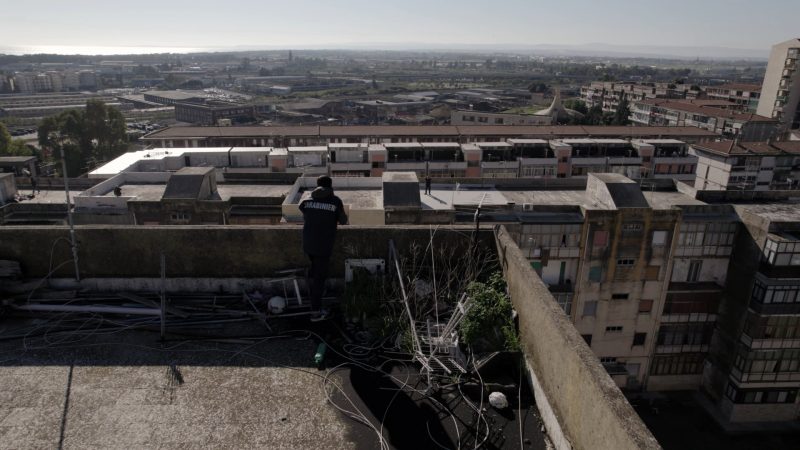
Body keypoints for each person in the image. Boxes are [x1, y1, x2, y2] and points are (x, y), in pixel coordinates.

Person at [299, 175, 348, 321]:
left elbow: (302, 209)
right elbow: (343, 221)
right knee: (319, 278)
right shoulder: (335, 201)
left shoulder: (307, 200)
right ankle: (315, 312)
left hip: (308, 244)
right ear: (330, 186)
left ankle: (314, 295)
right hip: (323, 245)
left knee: (315, 273)